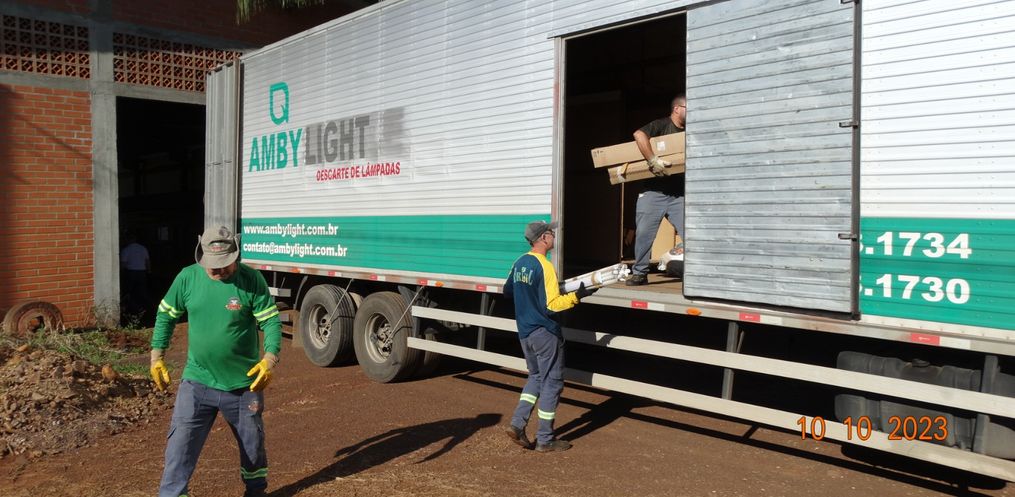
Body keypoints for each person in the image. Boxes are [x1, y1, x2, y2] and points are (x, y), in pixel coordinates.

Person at [149, 226, 282, 497]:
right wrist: (156, 357)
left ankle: (256, 491)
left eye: (225, 264)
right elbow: (166, 315)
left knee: (252, 447)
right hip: (197, 381)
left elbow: (270, 321)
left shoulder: (251, 280)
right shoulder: (187, 278)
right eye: (213, 265)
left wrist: (269, 358)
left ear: (236, 255)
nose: (219, 270)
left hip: (243, 385)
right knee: (179, 447)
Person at [502, 220, 597, 452]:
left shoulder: (519, 262)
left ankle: (517, 424)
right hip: (544, 333)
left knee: (535, 377)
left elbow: (508, 291)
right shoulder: (544, 266)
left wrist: (531, 296)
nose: (554, 235)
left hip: (525, 333)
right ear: (543, 238)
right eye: (551, 233)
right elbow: (552, 305)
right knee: (552, 382)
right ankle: (545, 439)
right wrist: (578, 296)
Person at [627, 95, 686, 286]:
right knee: (644, 234)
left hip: (679, 194)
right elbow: (638, 134)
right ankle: (639, 273)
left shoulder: (689, 132)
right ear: (677, 108)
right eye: (688, 107)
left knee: (692, 232)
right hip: (654, 192)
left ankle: (696, 272)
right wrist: (653, 160)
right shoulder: (661, 125)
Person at [120, 232, 151, 318]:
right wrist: (149, 271)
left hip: (130, 272)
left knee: (129, 292)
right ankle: (144, 309)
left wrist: (121, 273)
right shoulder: (143, 248)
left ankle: (131, 309)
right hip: (142, 272)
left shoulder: (126, 250)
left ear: (128, 240)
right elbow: (147, 261)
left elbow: (123, 264)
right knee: (142, 291)